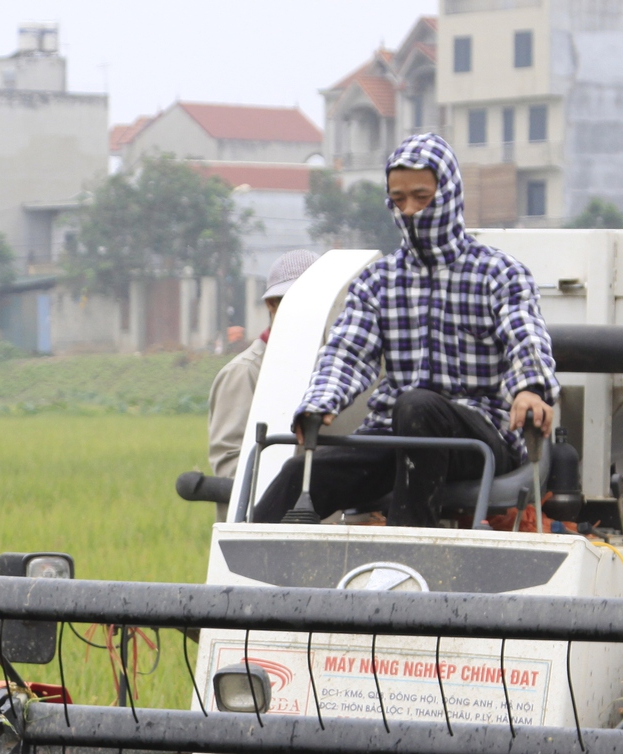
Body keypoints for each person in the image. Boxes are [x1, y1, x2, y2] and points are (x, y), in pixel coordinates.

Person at [252, 134, 558, 527]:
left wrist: (530, 388)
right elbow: (347, 353)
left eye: (421, 197)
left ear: (448, 195)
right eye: (398, 200)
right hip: (394, 437)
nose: (410, 211)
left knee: (417, 406)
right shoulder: (377, 282)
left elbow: (525, 338)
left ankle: (409, 553)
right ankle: (238, 581)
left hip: (480, 437)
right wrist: (319, 402)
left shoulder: (500, 273)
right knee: (299, 477)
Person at [206, 249, 319, 519]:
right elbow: (230, 461)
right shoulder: (245, 372)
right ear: (272, 305)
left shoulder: (333, 371)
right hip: (262, 528)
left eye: (314, 301)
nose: (307, 311)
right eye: (295, 301)